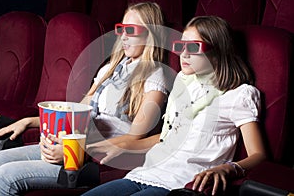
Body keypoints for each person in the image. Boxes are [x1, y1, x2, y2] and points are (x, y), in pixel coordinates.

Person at [0, 2, 171, 195]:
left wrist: (77, 150)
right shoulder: (111, 68)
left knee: (5, 176)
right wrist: (29, 121)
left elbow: (133, 138)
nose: (124, 36)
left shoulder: (156, 76)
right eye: (121, 29)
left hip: (99, 160)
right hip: (75, 144)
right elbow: (78, 112)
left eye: (131, 30)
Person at [81, 15, 267, 196]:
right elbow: (167, 137)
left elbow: (259, 155)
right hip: (146, 173)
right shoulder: (183, 83)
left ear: (217, 52)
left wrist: (228, 169)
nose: (183, 54)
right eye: (181, 46)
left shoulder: (239, 95)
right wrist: (124, 146)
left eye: (193, 47)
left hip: (180, 183)